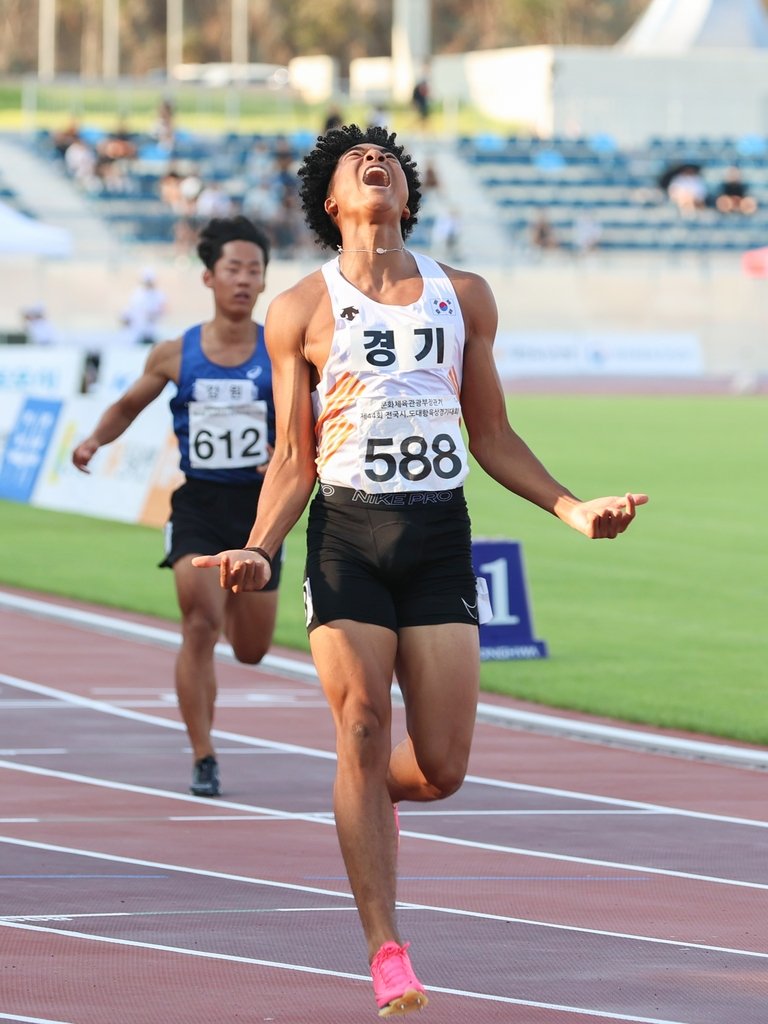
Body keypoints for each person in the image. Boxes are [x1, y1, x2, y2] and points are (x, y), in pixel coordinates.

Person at [191, 125, 648, 1016]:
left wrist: (571, 508)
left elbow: (493, 436)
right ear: (332, 200)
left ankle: (366, 799)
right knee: (362, 724)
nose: (377, 162)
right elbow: (293, 457)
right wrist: (260, 545)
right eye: (357, 160)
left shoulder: (463, 295)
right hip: (347, 534)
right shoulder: (299, 308)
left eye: (390, 159)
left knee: (439, 768)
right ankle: (387, 948)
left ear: (407, 192)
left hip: (439, 536)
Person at [72, 216, 281, 799]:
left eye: (254, 270)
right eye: (233, 269)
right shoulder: (175, 354)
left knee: (251, 650)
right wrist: (94, 441)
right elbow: (126, 406)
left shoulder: (283, 351)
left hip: (263, 512)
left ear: (265, 280)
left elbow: (316, 418)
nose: (244, 280)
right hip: (199, 505)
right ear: (209, 277)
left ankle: (235, 597)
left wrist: (287, 451)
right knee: (199, 625)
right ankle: (203, 754)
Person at [119, 267, 167, 346]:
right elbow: (130, 310)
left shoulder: (159, 294)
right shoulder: (137, 294)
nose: (148, 283)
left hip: (152, 330)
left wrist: (154, 315)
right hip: (137, 331)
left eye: (149, 281)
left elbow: (162, 310)